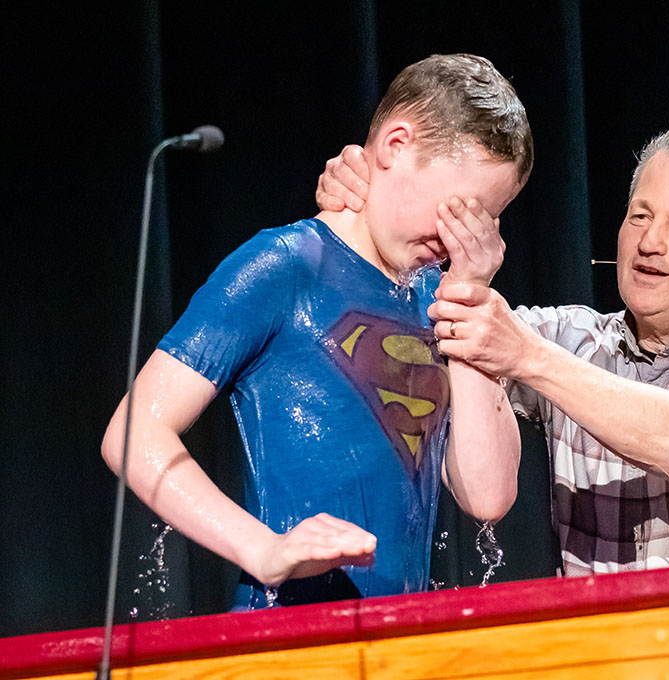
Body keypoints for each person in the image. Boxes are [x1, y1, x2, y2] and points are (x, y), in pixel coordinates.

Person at [101, 53, 531, 609]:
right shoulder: (285, 266)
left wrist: (469, 293)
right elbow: (133, 432)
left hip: (402, 641)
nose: (461, 240)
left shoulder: (437, 298)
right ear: (396, 147)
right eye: (458, 211)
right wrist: (260, 549)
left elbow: (489, 495)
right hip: (286, 638)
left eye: (485, 220)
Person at [316, 121, 669, 575]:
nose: (649, 241)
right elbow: (407, 337)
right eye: (639, 215)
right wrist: (371, 206)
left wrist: (531, 359)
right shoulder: (573, 338)